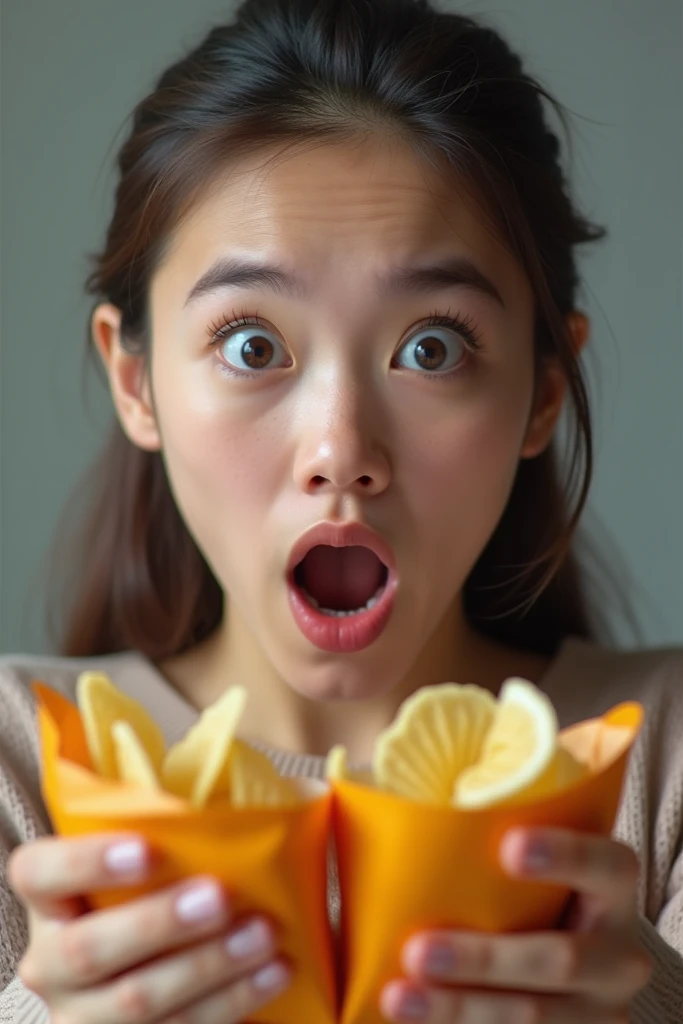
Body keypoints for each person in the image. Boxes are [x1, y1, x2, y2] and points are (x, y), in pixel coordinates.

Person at [1, 0, 682, 1020]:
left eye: (431, 347)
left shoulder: (661, 766)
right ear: (135, 382)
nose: (341, 452)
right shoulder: (23, 769)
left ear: (541, 392)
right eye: (250, 345)